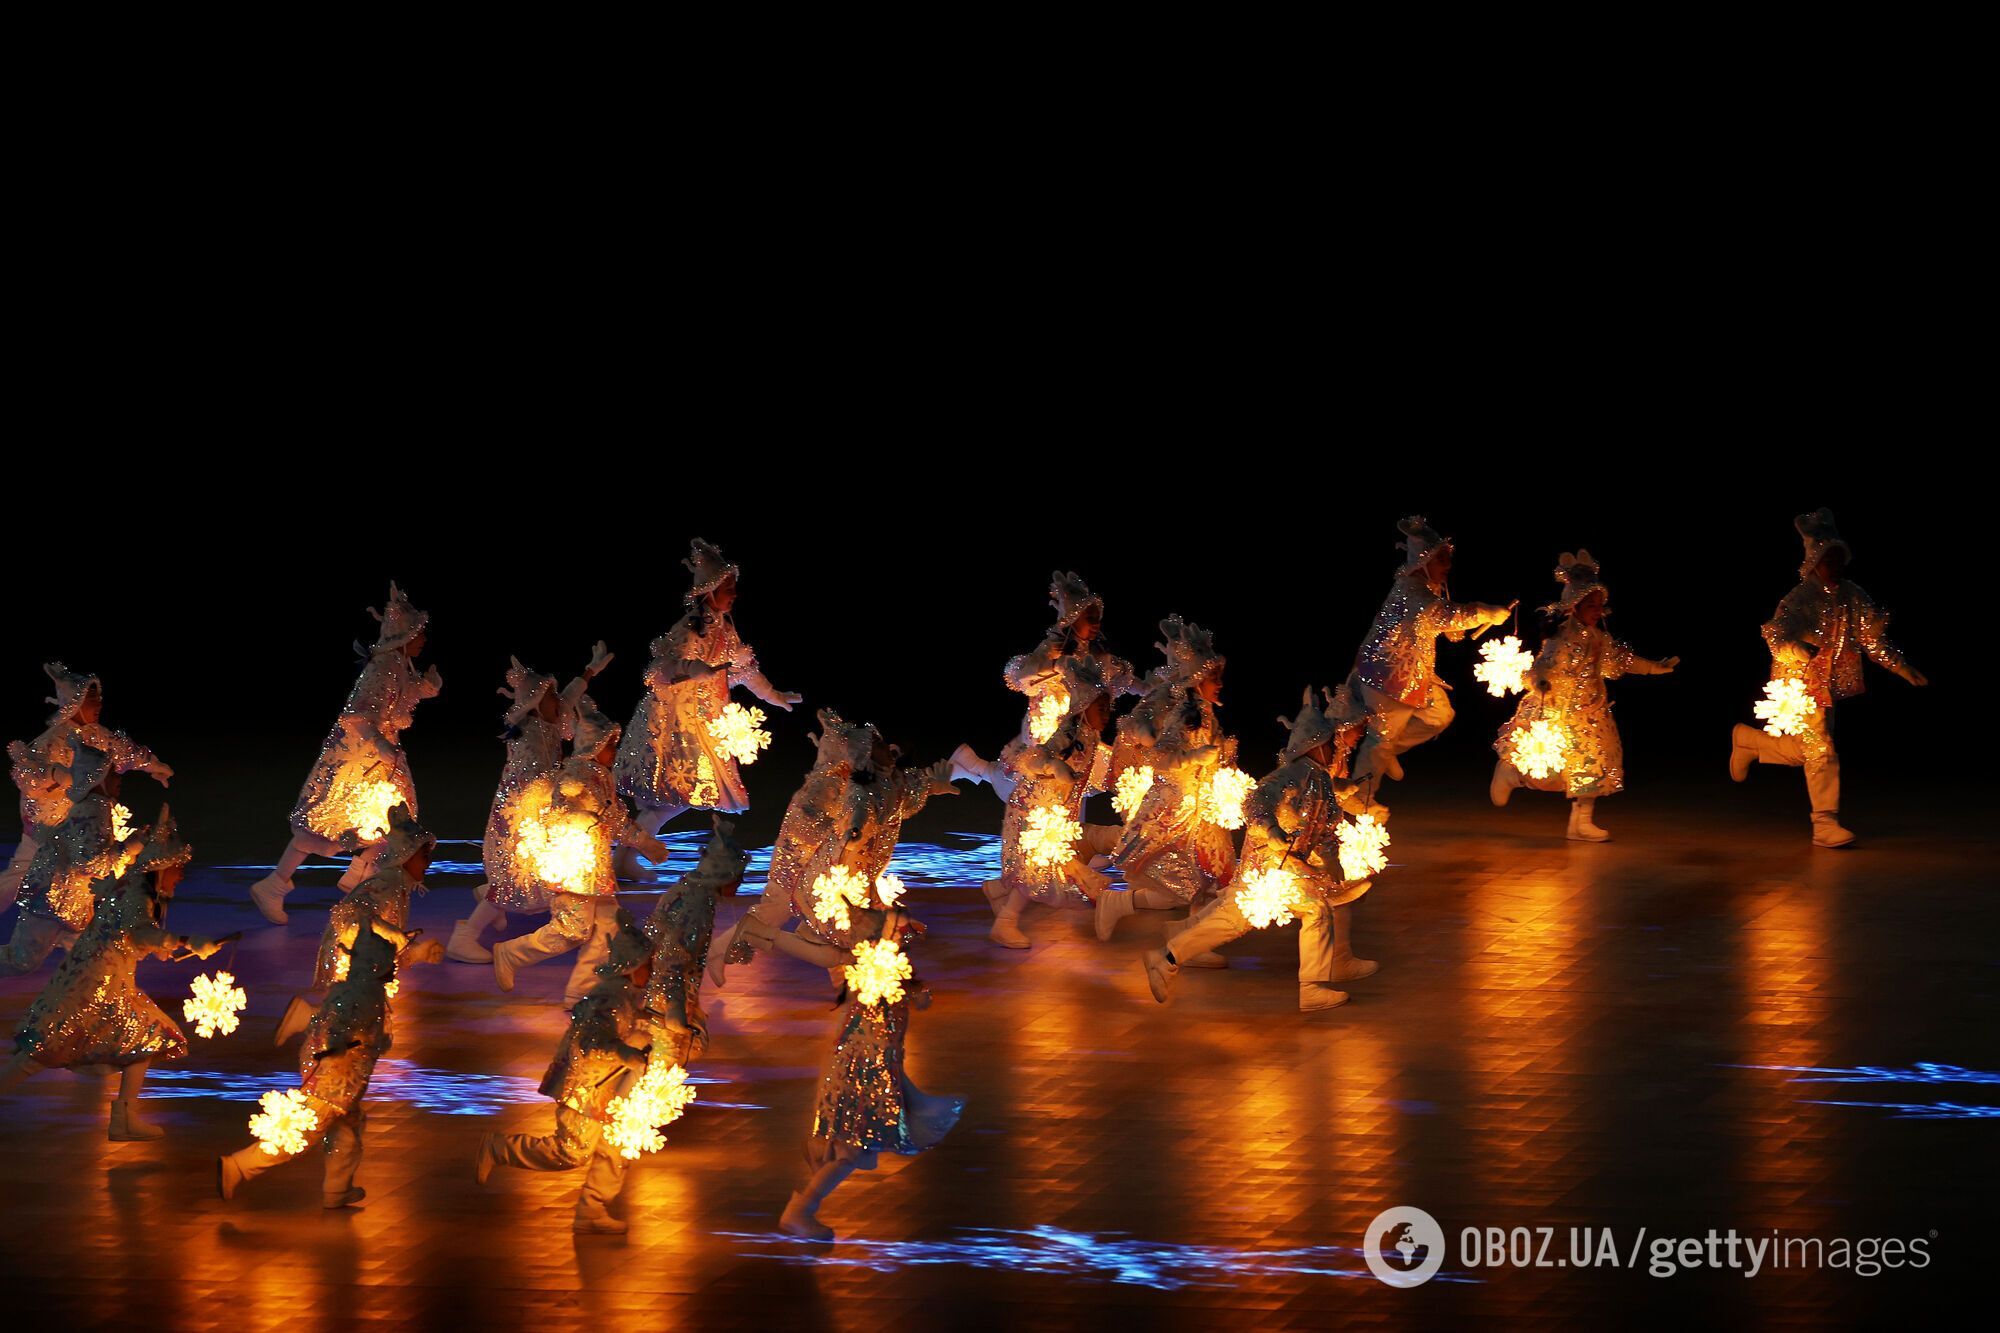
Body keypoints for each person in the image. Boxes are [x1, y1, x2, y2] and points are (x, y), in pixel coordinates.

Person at [1144, 687, 1379, 1012]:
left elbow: (1321, 824)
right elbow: (1256, 801)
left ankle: (1167, 957)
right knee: (1311, 911)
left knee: (1236, 921)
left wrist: (1334, 862)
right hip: (1267, 870)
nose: (1333, 747)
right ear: (1314, 744)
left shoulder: (1318, 778)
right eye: (1327, 743)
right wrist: (1272, 832)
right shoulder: (1291, 774)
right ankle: (1311, 988)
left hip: (1285, 870)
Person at [741, 908, 963, 1242]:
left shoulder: (887, 970)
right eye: (900, 935)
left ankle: (803, 1207)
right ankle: (800, 1212)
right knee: (851, 1150)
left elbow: (914, 999)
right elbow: (875, 1029)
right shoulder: (870, 974)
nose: (905, 941)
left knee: (850, 1148)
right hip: (861, 1073)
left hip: (869, 1068)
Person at [0, 808, 225, 1138]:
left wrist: (170, 947)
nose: (180, 877)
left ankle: (125, 1118)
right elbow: (140, 933)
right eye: (178, 870)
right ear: (161, 868)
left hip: (102, 984)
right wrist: (184, 941)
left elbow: (135, 937)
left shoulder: (132, 891)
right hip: (94, 988)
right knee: (45, 1051)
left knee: (146, 1036)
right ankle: (124, 1118)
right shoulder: (135, 894)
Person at [218, 910, 442, 1208]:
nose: (394, 969)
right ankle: (241, 1165)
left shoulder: (363, 986)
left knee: (348, 1125)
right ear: (377, 966)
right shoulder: (362, 995)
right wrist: (337, 1047)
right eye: (389, 963)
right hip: (335, 1075)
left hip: (345, 1075)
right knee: (306, 1128)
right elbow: (338, 1027)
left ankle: (338, 1188)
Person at [1730, 509, 1928, 847]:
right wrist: (1794, 648)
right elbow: (1776, 633)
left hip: (1828, 686)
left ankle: (1751, 742)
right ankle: (1824, 824)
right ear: (1814, 561)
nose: (1836, 567)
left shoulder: (1852, 595)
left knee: (1810, 749)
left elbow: (1871, 638)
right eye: (1828, 560)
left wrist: (1899, 665)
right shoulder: (1800, 597)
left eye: (1839, 560)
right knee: (1821, 748)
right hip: (1799, 684)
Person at [248, 584, 440, 924]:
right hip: (362, 760)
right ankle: (279, 885)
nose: (424, 639)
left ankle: (358, 881)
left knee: (392, 823)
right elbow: (357, 714)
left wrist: (424, 689)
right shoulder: (384, 667)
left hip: (382, 760)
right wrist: (380, 745)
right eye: (419, 632)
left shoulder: (398, 666)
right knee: (338, 823)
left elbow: (396, 706)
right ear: (404, 635)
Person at [614, 539, 799, 881]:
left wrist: (773, 694)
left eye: (733, 588)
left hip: (708, 720)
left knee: (675, 797)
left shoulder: (726, 629)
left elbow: (743, 669)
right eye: (728, 588)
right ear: (710, 591)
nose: (734, 594)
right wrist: (689, 669)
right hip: (680, 722)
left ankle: (627, 855)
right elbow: (657, 671)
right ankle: (627, 853)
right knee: (679, 794)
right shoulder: (689, 627)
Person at [476, 911, 657, 1233]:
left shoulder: (625, 995)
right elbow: (592, 1040)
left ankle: (592, 1209)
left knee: (613, 1147)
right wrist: (626, 1052)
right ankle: (501, 1148)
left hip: (606, 1086)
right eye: (648, 964)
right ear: (632, 965)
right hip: (583, 1088)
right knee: (571, 1151)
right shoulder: (608, 997)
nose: (652, 970)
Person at [1490, 552, 1679, 840]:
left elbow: (1620, 662)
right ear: (1575, 605)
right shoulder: (1562, 636)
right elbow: (1544, 665)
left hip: (1592, 715)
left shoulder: (1599, 638)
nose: (1597, 610)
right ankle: (1511, 774)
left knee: (1592, 764)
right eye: (1591, 605)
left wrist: (1654, 667)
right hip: (1558, 712)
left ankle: (1580, 824)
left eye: (1600, 605)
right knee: (1551, 774)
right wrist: (1540, 681)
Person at [491, 708, 670, 1007]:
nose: (614, 750)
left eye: (615, 743)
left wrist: (643, 841)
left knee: (609, 929)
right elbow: (593, 814)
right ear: (593, 745)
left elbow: (613, 815)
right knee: (571, 931)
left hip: (593, 869)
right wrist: (643, 842)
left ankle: (579, 992)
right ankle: (511, 953)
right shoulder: (576, 775)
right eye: (610, 744)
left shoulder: (599, 776)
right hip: (573, 867)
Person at [447, 645, 613, 963]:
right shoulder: (529, 734)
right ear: (536, 704)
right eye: (552, 698)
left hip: (541, 814)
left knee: (535, 878)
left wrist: (589, 672)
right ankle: (465, 935)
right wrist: (565, 788)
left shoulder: (546, 723)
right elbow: (530, 780)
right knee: (516, 880)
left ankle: (554, 922)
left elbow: (570, 697)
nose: (560, 703)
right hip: (521, 819)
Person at [1347, 517, 1512, 803]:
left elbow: (1438, 620)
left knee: (1439, 716)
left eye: (1448, 560)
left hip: (1410, 673)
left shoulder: (1427, 589)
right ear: (1423, 561)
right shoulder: (1412, 590)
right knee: (1380, 740)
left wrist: (1455, 626)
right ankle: (1359, 797)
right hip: (1386, 674)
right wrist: (1484, 612)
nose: (1447, 567)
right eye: (1442, 560)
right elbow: (1440, 615)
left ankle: (1390, 752)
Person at [951, 572, 1138, 797]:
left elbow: (1116, 678)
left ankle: (972, 765)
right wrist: (1055, 665)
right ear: (1074, 616)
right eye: (1090, 617)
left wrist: (1150, 689)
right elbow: (1021, 674)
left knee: (1085, 776)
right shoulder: (1054, 647)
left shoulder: (1097, 655)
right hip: (1047, 726)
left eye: (1098, 618)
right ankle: (973, 766)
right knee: (1034, 780)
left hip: (1080, 728)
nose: (1096, 624)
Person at [3, 663, 170, 909]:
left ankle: (85, 935)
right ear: (74, 701)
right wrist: (54, 774)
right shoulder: (52, 741)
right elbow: (25, 773)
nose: (99, 703)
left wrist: (153, 765)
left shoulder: (99, 735)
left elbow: (124, 751)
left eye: (99, 696)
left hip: (85, 827)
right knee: (19, 878)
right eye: (91, 697)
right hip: (47, 830)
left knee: (87, 882)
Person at [1, 741, 136, 975]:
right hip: (51, 900)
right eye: (113, 774)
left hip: (71, 903)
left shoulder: (96, 806)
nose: (119, 780)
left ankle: (85, 1004)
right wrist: (129, 849)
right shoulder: (92, 810)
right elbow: (89, 863)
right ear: (99, 778)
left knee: (93, 961)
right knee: (20, 960)